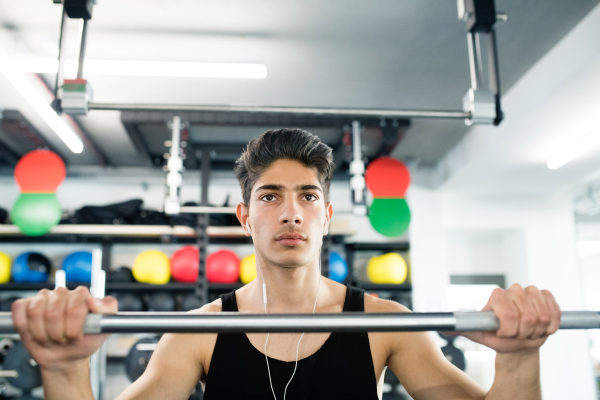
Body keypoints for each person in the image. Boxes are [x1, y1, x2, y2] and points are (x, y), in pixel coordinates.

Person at [12, 128, 561, 400]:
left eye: (307, 197)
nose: (291, 212)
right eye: (271, 196)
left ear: (326, 213)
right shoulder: (199, 332)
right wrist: (64, 370)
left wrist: (518, 359)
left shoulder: (386, 324)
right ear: (244, 216)